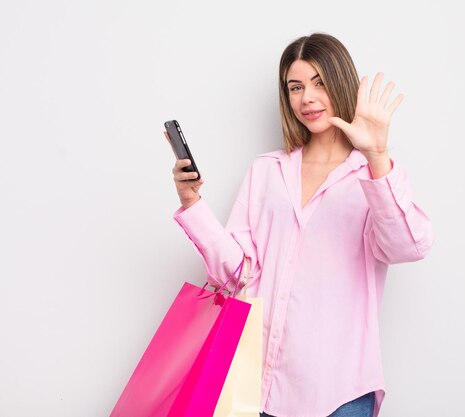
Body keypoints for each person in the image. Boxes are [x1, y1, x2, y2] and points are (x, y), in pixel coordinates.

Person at [165, 32, 433, 417]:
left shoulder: (374, 176)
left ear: (341, 84)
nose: (307, 97)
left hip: (338, 390)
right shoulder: (267, 171)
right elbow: (239, 272)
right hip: (255, 385)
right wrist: (192, 203)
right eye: (296, 86)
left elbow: (409, 246)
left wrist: (376, 156)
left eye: (319, 83)